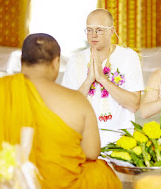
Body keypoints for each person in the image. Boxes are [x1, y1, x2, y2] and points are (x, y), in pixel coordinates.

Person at [0, 33, 122, 189]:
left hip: (2, 181)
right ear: (56, 63)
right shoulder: (77, 101)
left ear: (22, 61)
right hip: (58, 183)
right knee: (99, 171)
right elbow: (92, 153)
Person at [62, 9, 144, 147]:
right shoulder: (76, 60)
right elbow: (68, 108)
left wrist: (102, 79)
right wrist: (89, 80)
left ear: (111, 31)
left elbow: (134, 105)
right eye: (89, 30)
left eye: (99, 30)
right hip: (82, 139)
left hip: (119, 141)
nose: (93, 35)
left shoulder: (129, 57)